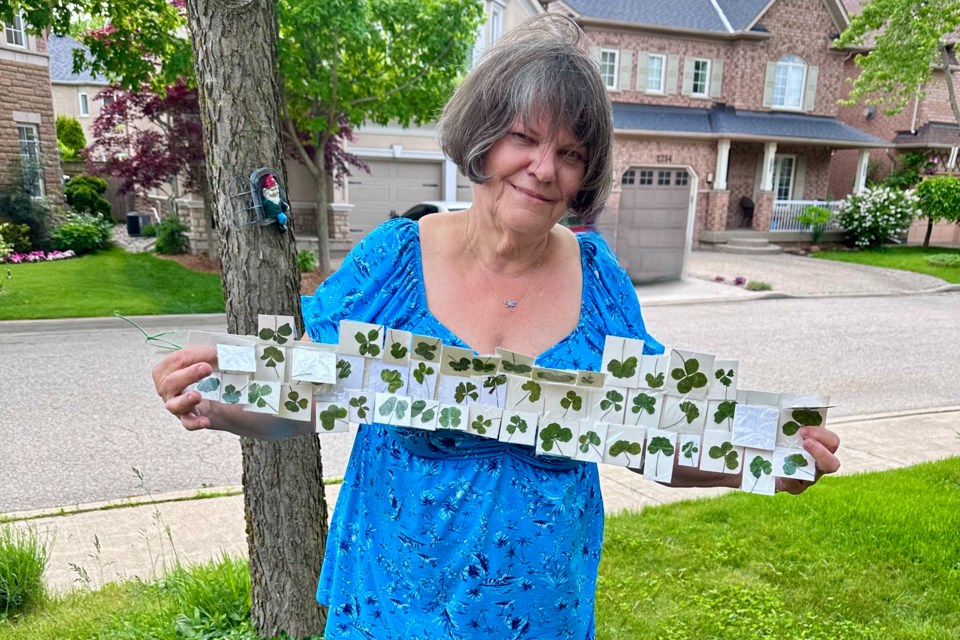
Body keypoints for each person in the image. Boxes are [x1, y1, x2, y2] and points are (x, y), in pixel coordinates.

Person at [152, 13, 840, 639]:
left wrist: (761, 462)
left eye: (570, 153)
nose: (544, 168)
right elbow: (300, 401)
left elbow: (652, 439)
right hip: (392, 612)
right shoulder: (394, 260)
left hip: (540, 618)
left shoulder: (599, 283)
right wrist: (219, 403)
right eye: (525, 138)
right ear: (483, 139)